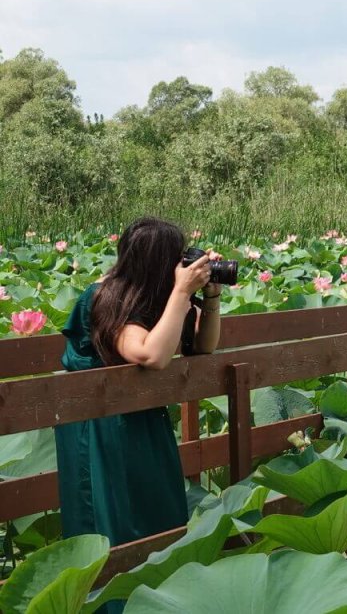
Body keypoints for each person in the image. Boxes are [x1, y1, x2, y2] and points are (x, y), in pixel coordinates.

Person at [54, 217, 221, 565]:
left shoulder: (151, 298)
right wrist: (180, 291)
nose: (181, 264)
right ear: (156, 262)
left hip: (142, 418)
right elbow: (151, 355)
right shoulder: (105, 297)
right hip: (101, 427)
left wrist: (210, 295)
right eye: (174, 257)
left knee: (159, 513)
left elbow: (204, 347)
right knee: (118, 524)